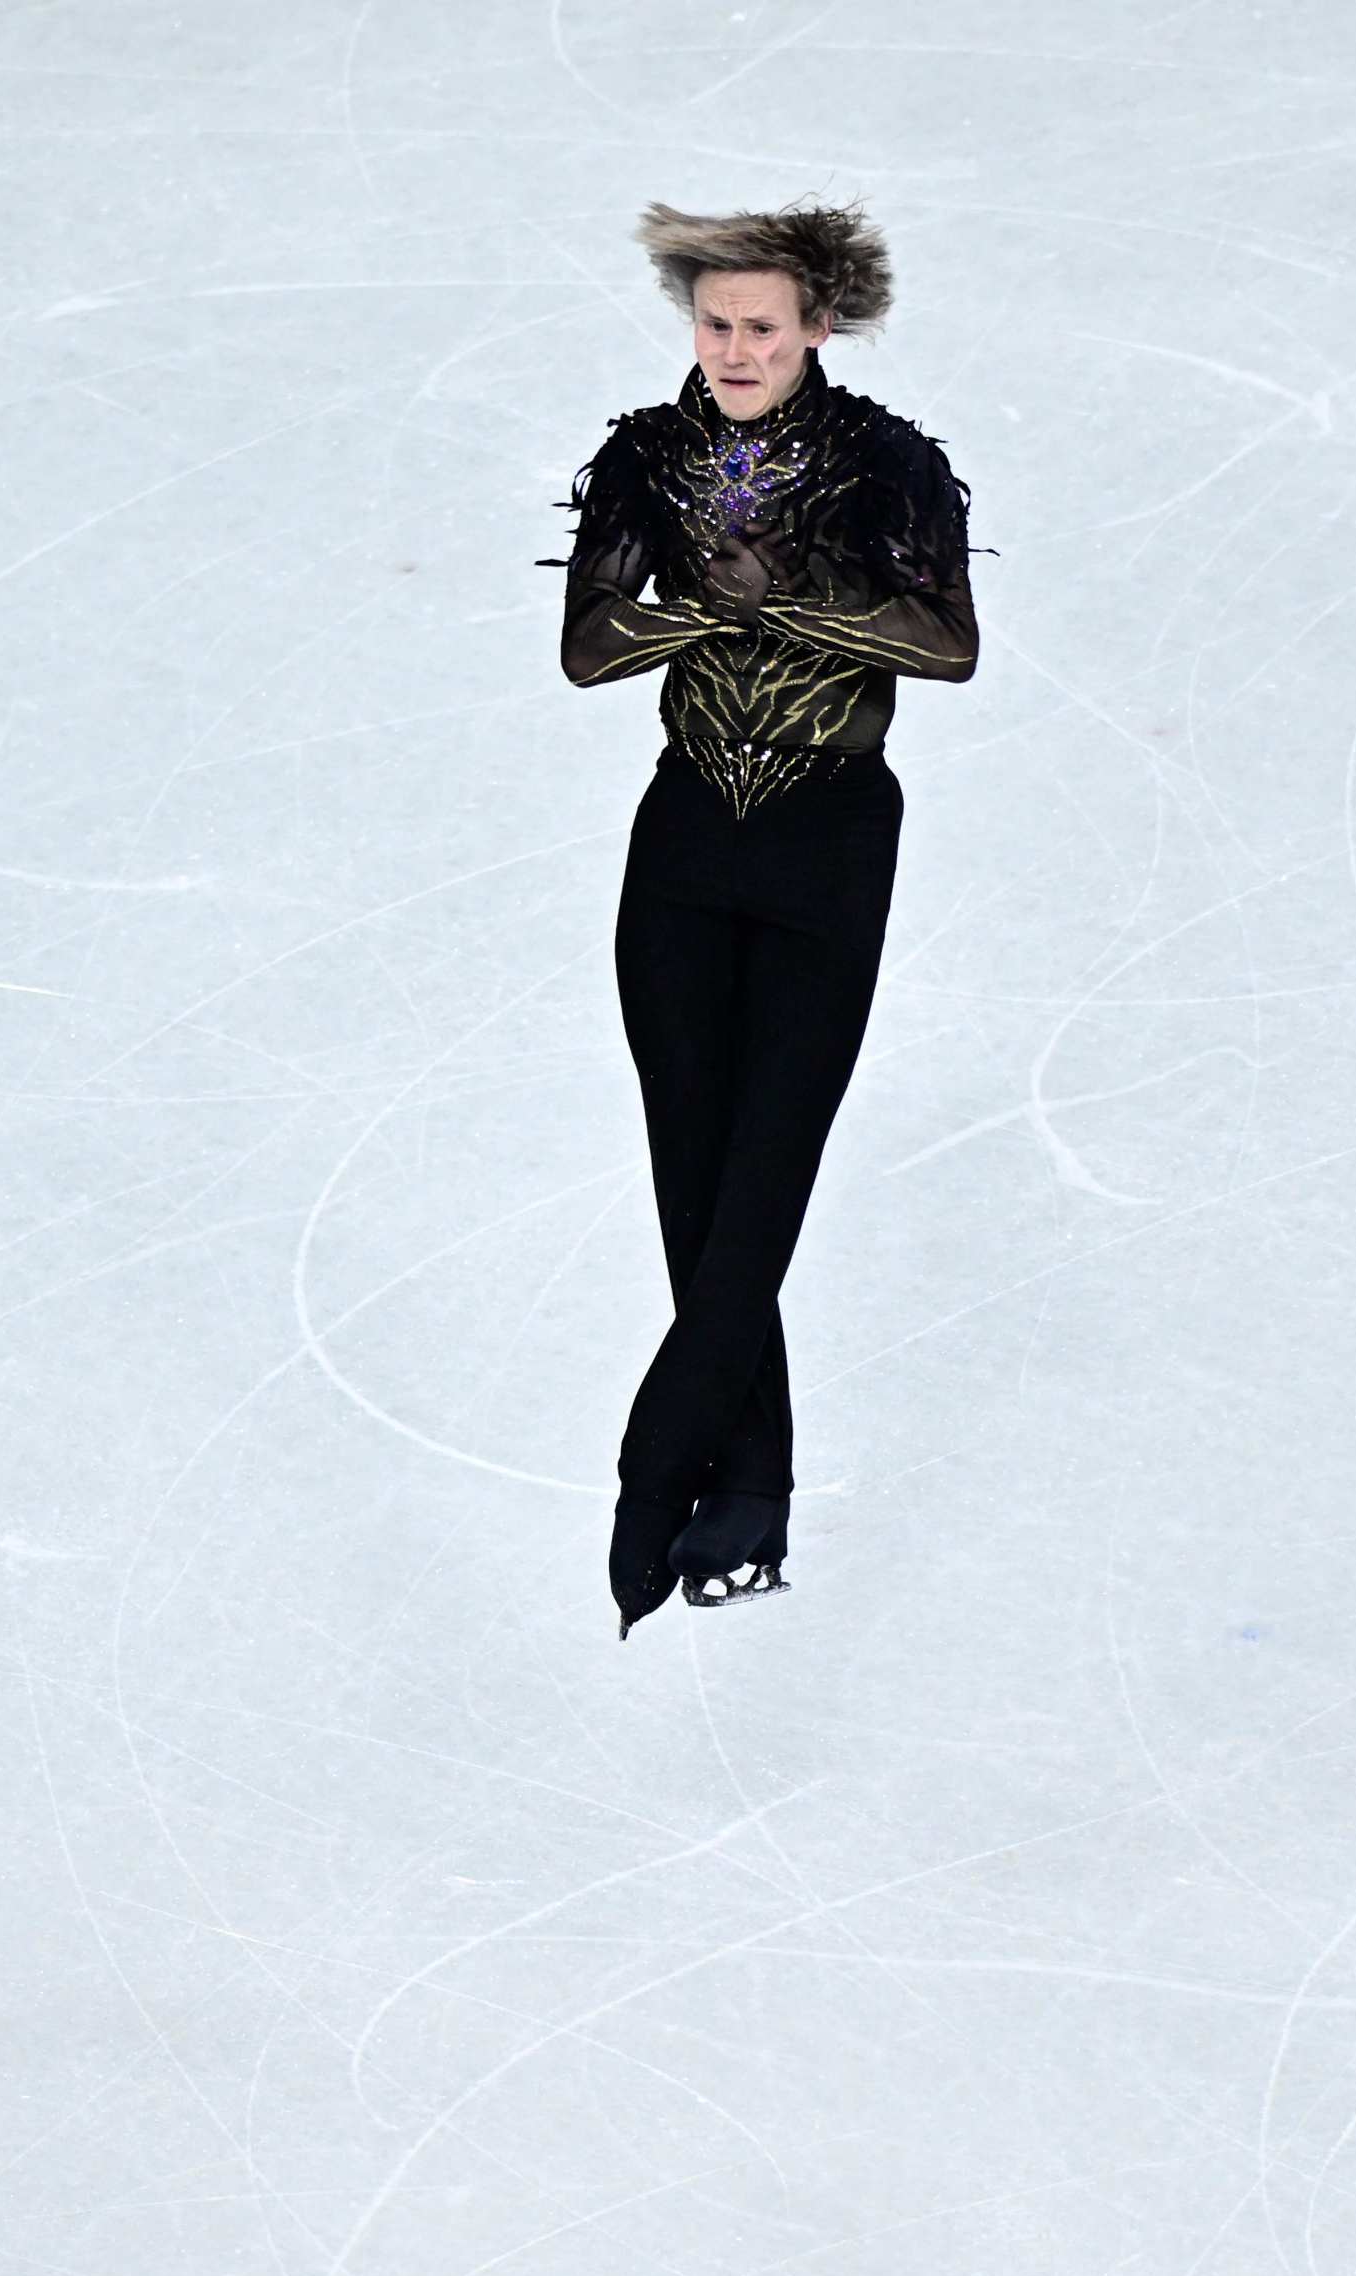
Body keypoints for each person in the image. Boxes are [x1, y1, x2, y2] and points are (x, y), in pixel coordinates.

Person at [552, 201, 979, 1638]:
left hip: (829, 840)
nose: (733, 349)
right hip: (684, 837)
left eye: (760, 326)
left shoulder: (889, 465)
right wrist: (711, 606)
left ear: (817, 328)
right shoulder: (645, 459)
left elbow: (948, 643)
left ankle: (653, 1475)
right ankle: (751, 1491)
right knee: (694, 1178)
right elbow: (589, 648)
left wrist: (778, 599)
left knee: (767, 1173)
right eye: (715, 322)